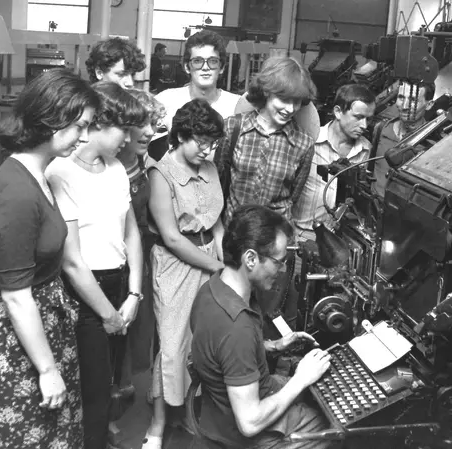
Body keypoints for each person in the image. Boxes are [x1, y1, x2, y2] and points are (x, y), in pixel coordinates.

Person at [0, 68, 97, 449]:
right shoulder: (17, 193)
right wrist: (47, 369)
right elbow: (15, 295)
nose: (85, 137)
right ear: (52, 121)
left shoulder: (38, 174)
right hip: (13, 340)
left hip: (41, 326)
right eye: (80, 127)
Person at [46, 81, 148, 449]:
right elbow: (72, 261)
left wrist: (135, 291)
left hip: (120, 285)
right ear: (99, 124)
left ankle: (100, 439)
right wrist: (108, 313)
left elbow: (132, 233)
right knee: (90, 388)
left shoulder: (118, 167)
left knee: (108, 384)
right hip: (85, 291)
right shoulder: (60, 172)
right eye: (124, 129)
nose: (130, 137)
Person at [190, 205, 333, 449]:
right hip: (241, 431)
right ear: (250, 258)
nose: (284, 270)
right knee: (332, 425)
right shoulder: (237, 328)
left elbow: (223, 355)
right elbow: (249, 423)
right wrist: (301, 379)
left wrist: (272, 345)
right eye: (279, 262)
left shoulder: (211, 289)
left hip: (217, 409)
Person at [141, 99, 227, 449]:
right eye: (201, 143)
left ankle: (192, 415)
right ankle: (157, 426)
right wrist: (215, 267)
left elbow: (217, 220)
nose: (208, 150)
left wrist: (224, 261)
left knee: (203, 342)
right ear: (180, 136)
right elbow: (173, 238)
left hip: (211, 255)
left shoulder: (210, 167)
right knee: (173, 346)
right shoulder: (160, 173)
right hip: (177, 264)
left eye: (213, 143)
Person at [214, 56, 317, 334]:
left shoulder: (303, 145)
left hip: (274, 254)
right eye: (284, 99)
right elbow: (219, 184)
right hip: (231, 247)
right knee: (230, 323)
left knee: (269, 323)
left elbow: (292, 197)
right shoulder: (233, 128)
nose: (290, 108)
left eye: (297, 102)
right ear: (267, 91)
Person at [114, 88, 166, 399]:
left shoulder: (143, 160)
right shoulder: (107, 165)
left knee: (133, 337)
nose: (149, 132)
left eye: (154, 124)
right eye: (142, 124)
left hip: (140, 258)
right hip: (113, 263)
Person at [291, 83, 376, 243]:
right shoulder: (310, 141)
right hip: (300, 236)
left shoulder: (366, 151)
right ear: (338, 112)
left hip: (338, 242)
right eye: (358, 117)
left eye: (368, 119)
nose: (364, 126)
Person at [155, 30, 242, 139]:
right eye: (197, 61)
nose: (205, 67)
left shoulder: (237, 106)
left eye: (213, 61)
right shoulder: (165, 101)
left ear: (222, 67)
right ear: (187, 67)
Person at [371, 81, 436, 196]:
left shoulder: (431, 144)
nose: (404, 106)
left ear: (429, 104)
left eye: (413, 100)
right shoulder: (381, 129)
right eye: (401, 97)